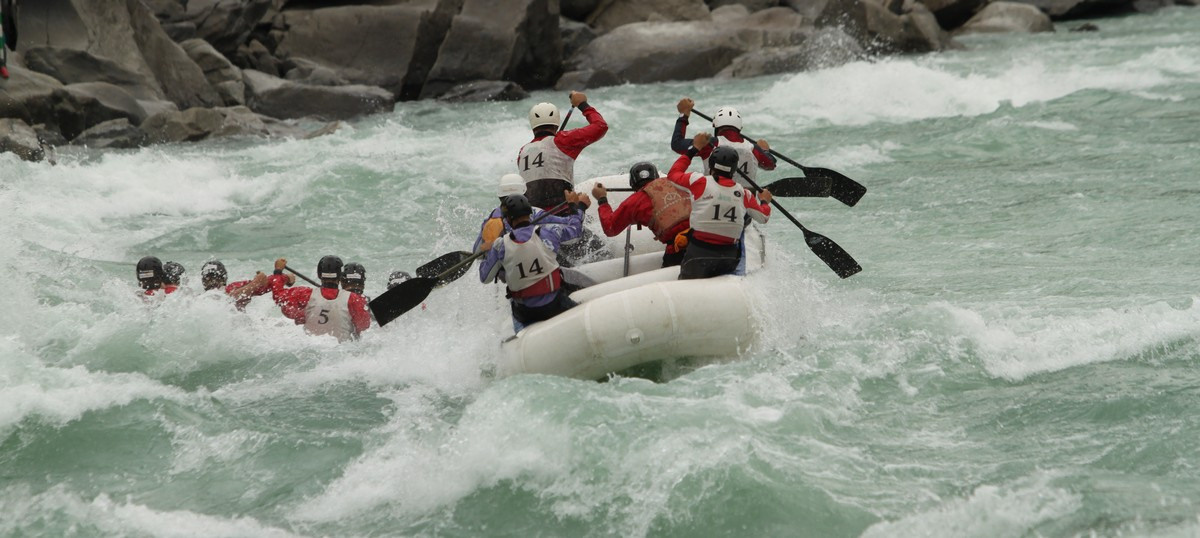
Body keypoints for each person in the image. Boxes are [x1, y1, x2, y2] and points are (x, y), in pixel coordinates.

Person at [479, 192, 590, 333]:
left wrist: (488, 253)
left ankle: (520, 339)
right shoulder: (549, 232)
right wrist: (577, 208)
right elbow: (575, 232)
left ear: (507, 219)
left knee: (515, 306)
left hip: (524, 313)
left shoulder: (499, 246)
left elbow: (485, 277)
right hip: (555, 304)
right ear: (530, 213)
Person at [669, 136, 772, 280]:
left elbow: (673, 174)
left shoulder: (699, 181)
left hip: (699, 254)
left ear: (711, 166)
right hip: (728, 258)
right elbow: (764, 217)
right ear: (734, 170)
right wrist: (764, 201)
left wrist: (693, 150)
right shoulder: (744, 194)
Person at [517, 91, 608, 211]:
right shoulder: (563, 140)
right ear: (556, 124)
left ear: (533, 126)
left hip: (533, 216)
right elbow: (600, 126)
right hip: (564, 213)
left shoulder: (523, 152)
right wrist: (583, 104)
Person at [592, 161, 693, 268]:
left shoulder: (633, 202)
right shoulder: (679, 182)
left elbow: (610, 228)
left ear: (633, 184)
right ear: (657, 177)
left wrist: (602, 199)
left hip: (679, 250)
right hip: (704, 237)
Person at [670, 98, 776, 188]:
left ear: (715, 126)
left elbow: (677, 144)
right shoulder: (754, 149)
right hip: (745, 207)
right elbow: (771, 164)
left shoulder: (710, 145)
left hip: (712, 201)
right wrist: (765, 151)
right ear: (740, 128)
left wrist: (683, 115)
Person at [268, 256, 370, 341]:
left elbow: (279, 297)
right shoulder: (353, 299)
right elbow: (364, 326)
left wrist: (278, 272)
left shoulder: (305, 294)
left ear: (318, 275)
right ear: (340, 276)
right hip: (343, 352)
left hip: (310, 349)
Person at [201, 260, 280, 310]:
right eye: (208, 279)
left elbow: (264, 285)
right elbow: (230, 297)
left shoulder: (233, 288)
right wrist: (255, 284)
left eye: (216, 278)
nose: (212, 282)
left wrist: (282, 276)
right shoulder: (199, 299)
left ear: (224, 279)